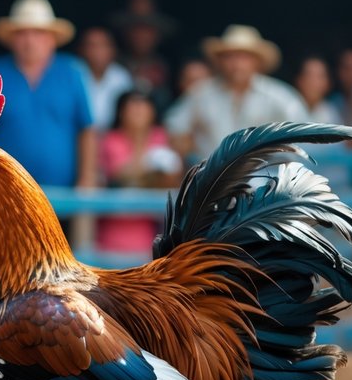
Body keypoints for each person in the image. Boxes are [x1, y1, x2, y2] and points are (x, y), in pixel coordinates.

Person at [0, 0, 96, 189]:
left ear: (52, 39)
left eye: (38, 32)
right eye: (22, 33)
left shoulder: (72, 72)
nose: (29, 41)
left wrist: (86, 181)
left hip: (63, 195)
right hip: (5, 192)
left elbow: (86, 129)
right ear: (12, 39)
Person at [165, 25, 306, 159]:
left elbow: (304, 132)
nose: (237, 64)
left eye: (244, 57)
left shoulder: (279, 96)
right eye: (230, 57)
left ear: (257, 62)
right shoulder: (201, 93)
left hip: (266, 177)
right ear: (220, 61)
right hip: (210, 178)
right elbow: (175, 126)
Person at [97, 89, 182, 254]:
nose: (138, 111)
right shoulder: (111, 139)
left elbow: (171, 177)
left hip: (151, 230)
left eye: (144, 106)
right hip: (114, 229)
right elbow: (119, 175)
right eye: (133, 106)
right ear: (121, 112)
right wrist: (151, 168)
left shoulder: (160, 136)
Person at [111, 0, 175, 100]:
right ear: (126, 33)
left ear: (157, 35)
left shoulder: (164, 66)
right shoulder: (114, 66)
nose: (142, 37)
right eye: (136, 30)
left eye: (147, 31)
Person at [77, 26, 133, 131]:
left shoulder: (121, 77)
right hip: (78, 136)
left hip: (111, 139)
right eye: (92, 46)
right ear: (81, 50)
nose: (98, 51)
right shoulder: (73, 74)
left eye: (103, 45)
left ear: (113, 50)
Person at [293, 56, 339, 124]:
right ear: (299, 80)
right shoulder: (287, 106)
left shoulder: (331, 114)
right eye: (309, 75)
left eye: (319, 76)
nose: (313, 82)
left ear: (328, 83)